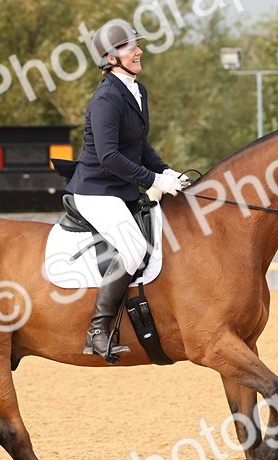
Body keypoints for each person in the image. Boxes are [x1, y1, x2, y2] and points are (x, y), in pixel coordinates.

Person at [65, 19, 188, 361]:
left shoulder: (137, 90)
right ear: (110, 57)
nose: (138, 51)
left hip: (120, 190)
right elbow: (108, 156)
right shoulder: (107, 98)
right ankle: (98, 330)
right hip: (96, 191)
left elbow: (139, 143)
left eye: (136, 45)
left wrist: (166, 171)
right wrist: (152, 181)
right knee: (133, 248)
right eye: (129, 47)